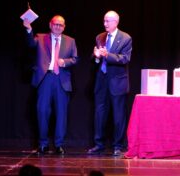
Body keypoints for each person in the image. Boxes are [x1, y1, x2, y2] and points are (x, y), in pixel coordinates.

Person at [22, 15, 78, 155]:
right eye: (55, 24)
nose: (58, 27)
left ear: (64, 27)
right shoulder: (41, 37)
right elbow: (30, 44)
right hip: (45, 78)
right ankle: (43, 144)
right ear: (50, 25)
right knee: (42, 111)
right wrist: (29, 30)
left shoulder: (70, 41)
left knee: (61, 113)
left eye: (60, 25)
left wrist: (64, 62)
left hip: (61, 80)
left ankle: (59, 144)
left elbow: (75, 59)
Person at [88, 10, 132, 156]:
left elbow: (125, 59)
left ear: (116, 22)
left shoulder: (125, 38)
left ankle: (118, 146)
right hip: (102, 81)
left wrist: (108, 55)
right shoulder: (99, 37)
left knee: (118, 115)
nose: (105, 23)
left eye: (108, 21)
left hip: (117, 82)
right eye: (104, 21)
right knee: (99, 113)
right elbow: (96, 58)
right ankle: (99, 144)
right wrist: (96, 56)